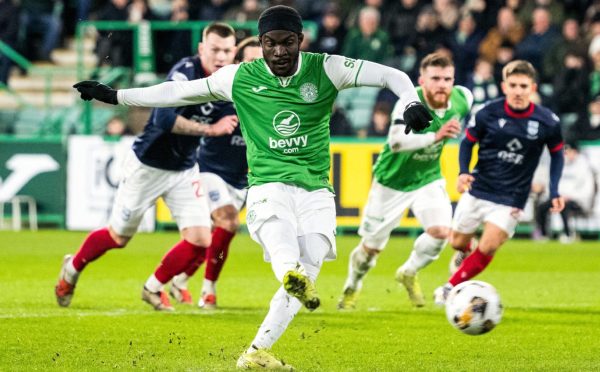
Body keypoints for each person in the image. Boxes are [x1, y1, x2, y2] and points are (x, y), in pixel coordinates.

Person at [72, 6, 432, 369]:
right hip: (267, 183)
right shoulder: (238, 77)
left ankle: (256, 350)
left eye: (287, 43)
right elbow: (177, 92)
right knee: (283, 247)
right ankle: (289, 274)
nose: (279, 51)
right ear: (260, 43)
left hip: (316, 187)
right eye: (271, 43)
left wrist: (411, 101)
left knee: (315, 258)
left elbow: (393, 75)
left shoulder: (327, 67)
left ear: (300, 41)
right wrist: (115, 96)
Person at [55, 23, 239, 311]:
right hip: (148, 165)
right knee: (118, 237)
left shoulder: (230, 82)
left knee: (201, 239)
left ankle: (153, 287)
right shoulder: (185, 72)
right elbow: (165, 121)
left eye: (227, 51)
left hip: (184, 169)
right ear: (201, 49)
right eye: (214, 49)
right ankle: (72, 268)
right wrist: (211, 130)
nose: (221, 56)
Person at [338, 53, 472, 310]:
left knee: (440, 233)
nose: (442, 84)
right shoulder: (410, 102)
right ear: (422, 80)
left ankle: (408, 272)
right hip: (391, 182)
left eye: (447, 79)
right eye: (435, 79)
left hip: (427, 178)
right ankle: (352, 286)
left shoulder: (463, 98)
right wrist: (436, 136)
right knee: (370, 250)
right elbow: (396, 142)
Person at [433, 60, 565, 305]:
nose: (518, 91)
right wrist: (463, 172)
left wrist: (555, 189)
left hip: (512, 197)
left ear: (533, 88)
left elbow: (557, 154)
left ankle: (451, 287)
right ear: (504, 86)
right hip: (479, 188)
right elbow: (467, 142)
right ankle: (464, 252)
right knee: (457, 242)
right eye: (513, 85)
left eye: (523, 86)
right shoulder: (487, 113)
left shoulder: (548, 121)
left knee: (490, 245)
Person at [164, 37, 263, 310]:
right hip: (209, 170)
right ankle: (208, 291)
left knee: (212, 237)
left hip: (241, 179)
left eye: (262, 61)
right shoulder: (223, 92)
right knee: (228, 222)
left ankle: (180, 279)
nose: (258, 66)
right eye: (251, 61)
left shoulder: (272, 98)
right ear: (238, 63)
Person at [535, 142, 595, 243]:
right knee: (542, 207)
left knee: (564, 206)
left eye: (569, 151)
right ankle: (544, 234)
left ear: (575, 152)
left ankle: (568, 234)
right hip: (559, 198)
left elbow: (587, 190)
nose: (566, 154)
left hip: (577, 201)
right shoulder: (560, 165)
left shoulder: (584, 167)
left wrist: (570, 196)